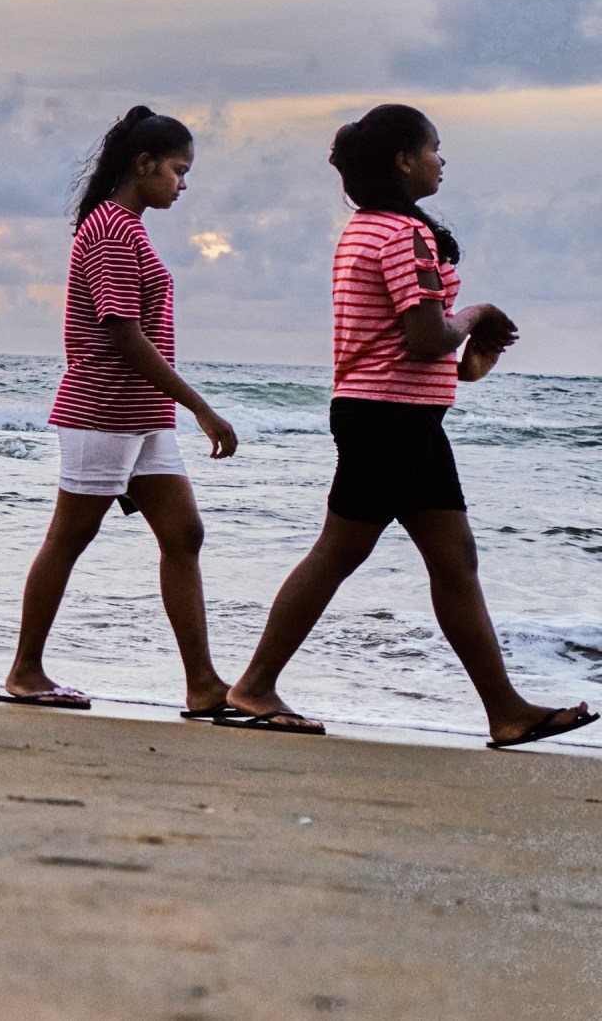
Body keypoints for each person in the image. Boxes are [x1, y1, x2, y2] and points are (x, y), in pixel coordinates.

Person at [224, 104, 596, 748]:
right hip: (388, 419)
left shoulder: (368, 231)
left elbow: (409, 346)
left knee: (455, 560)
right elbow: (425, 338)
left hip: (401, 416)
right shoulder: (402, 236)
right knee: (341, 550)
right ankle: (255, 685)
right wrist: (474, 313)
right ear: (403, 160)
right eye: (434, 148)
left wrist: (467, 354)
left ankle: (505, 710)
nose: (441, 160)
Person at [1, 106, 240, 718]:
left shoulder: (127, 227)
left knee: (184, 535)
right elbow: (124, 336)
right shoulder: (111, 229)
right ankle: (26, 671)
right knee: (71, 536)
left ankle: (203, 684)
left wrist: (173, 408)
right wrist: (202, 408)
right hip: (103, 409)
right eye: (178, 171)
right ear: (144, 165)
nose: (182, 184)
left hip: (142, 415)